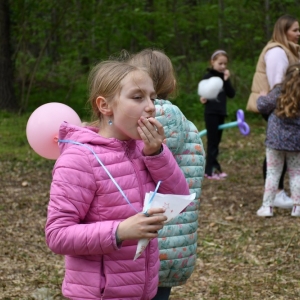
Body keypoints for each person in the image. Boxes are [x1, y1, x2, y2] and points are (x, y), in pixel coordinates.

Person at [45, 60, 190, 300]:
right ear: (104, 106)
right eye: (137, 97)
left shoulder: (144, 150)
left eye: (152, 98)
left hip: (145, 289)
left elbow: (179, 197)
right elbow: (57, 235)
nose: (151, 107)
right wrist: (119, 231)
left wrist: (158, 154)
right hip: (100, 294)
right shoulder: (79, 159)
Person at [129, 48, 205, 300]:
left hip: (147, 243)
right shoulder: (183, 121)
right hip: (175, 246)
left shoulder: (146, 119)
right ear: (171, 83)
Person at [247, 14, 300, 209]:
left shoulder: (288, 50)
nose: (298, 34)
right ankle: (276, 192)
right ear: (283, 31)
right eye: (295, 30)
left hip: (283, 106)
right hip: (278, 106)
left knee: (280, 149)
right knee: (276, 152)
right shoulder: (278, 52)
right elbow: (278, 84)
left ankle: (278, 193)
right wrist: (266, 99)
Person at [256, 63, 300, 217]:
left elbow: (262, 106)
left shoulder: (278, 91)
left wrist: (261, 96)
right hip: (296, 141)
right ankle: (297, 207)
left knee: (273, 173)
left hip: (275, 140)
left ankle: (267, 207)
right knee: (296, 173)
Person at [199, 49, 235, 180]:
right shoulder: (208, 77)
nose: (223, 66)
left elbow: (231, 94)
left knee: (217, 143)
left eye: (225, 64)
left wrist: (226, 80)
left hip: (221, 113)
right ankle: (209, 171)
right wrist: (203, 98)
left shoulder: (223, 77)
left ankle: (216, 168)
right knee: (212, 142)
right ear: (212, 62)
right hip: (211, 113)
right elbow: (203, 93)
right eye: (220, 63)